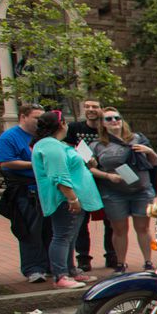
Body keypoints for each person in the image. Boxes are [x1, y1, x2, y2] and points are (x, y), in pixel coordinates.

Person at [31, 111, 103, 290]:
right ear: (61, 124)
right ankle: (60, 275)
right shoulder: (50, 146)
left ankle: (71, 270)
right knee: (62, 236)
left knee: (70, 236)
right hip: (64, 200)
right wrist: (72, 199)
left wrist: (88, 162)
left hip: (71, 198)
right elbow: (59, 175)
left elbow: (71, 166)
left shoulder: (56, 144)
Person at [89, 108, 157, 273]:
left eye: (117, 117)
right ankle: (121, 263)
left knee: (143, 228)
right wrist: (107, 176)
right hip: (114, 192)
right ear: (103, 124)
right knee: (119, 229)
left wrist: (149, 151)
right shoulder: (97, 145)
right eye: (108, 119)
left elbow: (155, 162)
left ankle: (148, 262)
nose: (114, 121)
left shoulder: (138, 138)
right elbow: (89, 169)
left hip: (141, 190)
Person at [0, 103, 51, 283]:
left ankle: (50, 265)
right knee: (30, 230)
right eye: (36, 117)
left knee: (49, 230)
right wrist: (34, 164)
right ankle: (33, 268)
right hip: (25, 191)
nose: (40, 121)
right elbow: (5, 162)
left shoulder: (43, 137)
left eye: (42, 118)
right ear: (23, 117)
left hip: (46, 189)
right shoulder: (9, 137)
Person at [64, 97, 114, 272]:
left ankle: (112, 255)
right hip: (83, 180)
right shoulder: (75, 128)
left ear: (101, 109)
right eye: (87, 106)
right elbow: (68, 150)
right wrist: (86, 158)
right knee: (81, 220)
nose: (91, 109)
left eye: (95, 106)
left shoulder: (107, 128)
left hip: (106, 181)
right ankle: (83, 258)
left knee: (110, 219)